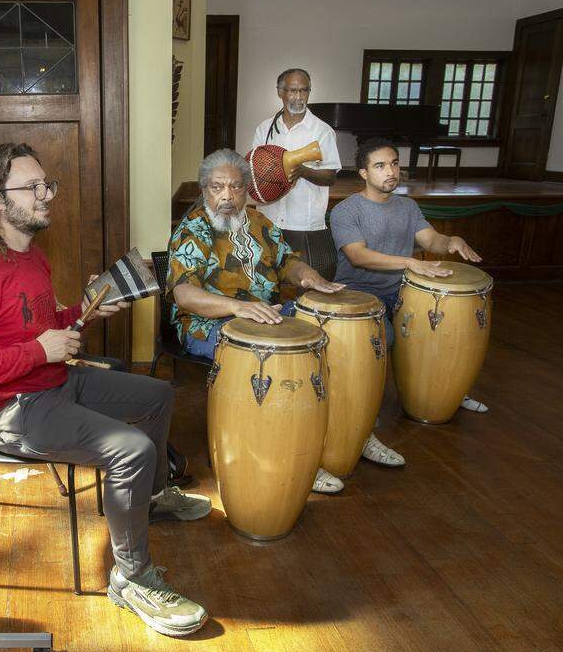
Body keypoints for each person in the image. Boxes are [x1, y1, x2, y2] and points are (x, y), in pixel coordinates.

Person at [0, 142, 212, 638]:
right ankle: (131, 578)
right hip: (3, 409)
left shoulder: (31, 257)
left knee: (157, 396)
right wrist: (39, 350)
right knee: (129, 449)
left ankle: (149, 498)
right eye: (32, 187)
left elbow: (41, 329)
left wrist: (83, 311)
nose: (46, 194)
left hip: (52, 381)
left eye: (47, 184)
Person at [165, 148, 402, 493]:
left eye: (234, 187)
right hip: (206, 325)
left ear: (247, 188)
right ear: (204, 190)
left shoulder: (260, 223)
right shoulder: (193, 230)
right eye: (217, 188)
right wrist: (237, 307)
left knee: (333, 335)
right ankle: (296, 455)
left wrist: (310, 277)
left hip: (268, 315)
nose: (227, 196)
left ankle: (354, 434)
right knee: (282, 361)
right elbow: (184, 295)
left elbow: (288, 262)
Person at [331, 137, 489, 428]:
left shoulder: (407, 207)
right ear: (364, 173)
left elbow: (431, 240)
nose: (390, 171)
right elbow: (358, 256)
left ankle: (446, 393)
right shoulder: (346, 210)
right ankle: (360, 411)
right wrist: (409, 262)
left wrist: (451, 240)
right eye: (380, 166)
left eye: (394, 163)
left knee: (443, 330)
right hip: (359, 295)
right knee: (384, 337)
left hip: (404, 293)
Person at [250, 68, 342, 280]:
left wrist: (302, 171)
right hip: (268, 220)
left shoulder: (322, 131)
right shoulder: (264, 129)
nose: (299, 97)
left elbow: (330, 177)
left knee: (305, 285)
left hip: (305, 224)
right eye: (292, 91)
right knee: (268, 284)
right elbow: (253, 169)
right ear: (280, 92)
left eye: (304, 91)